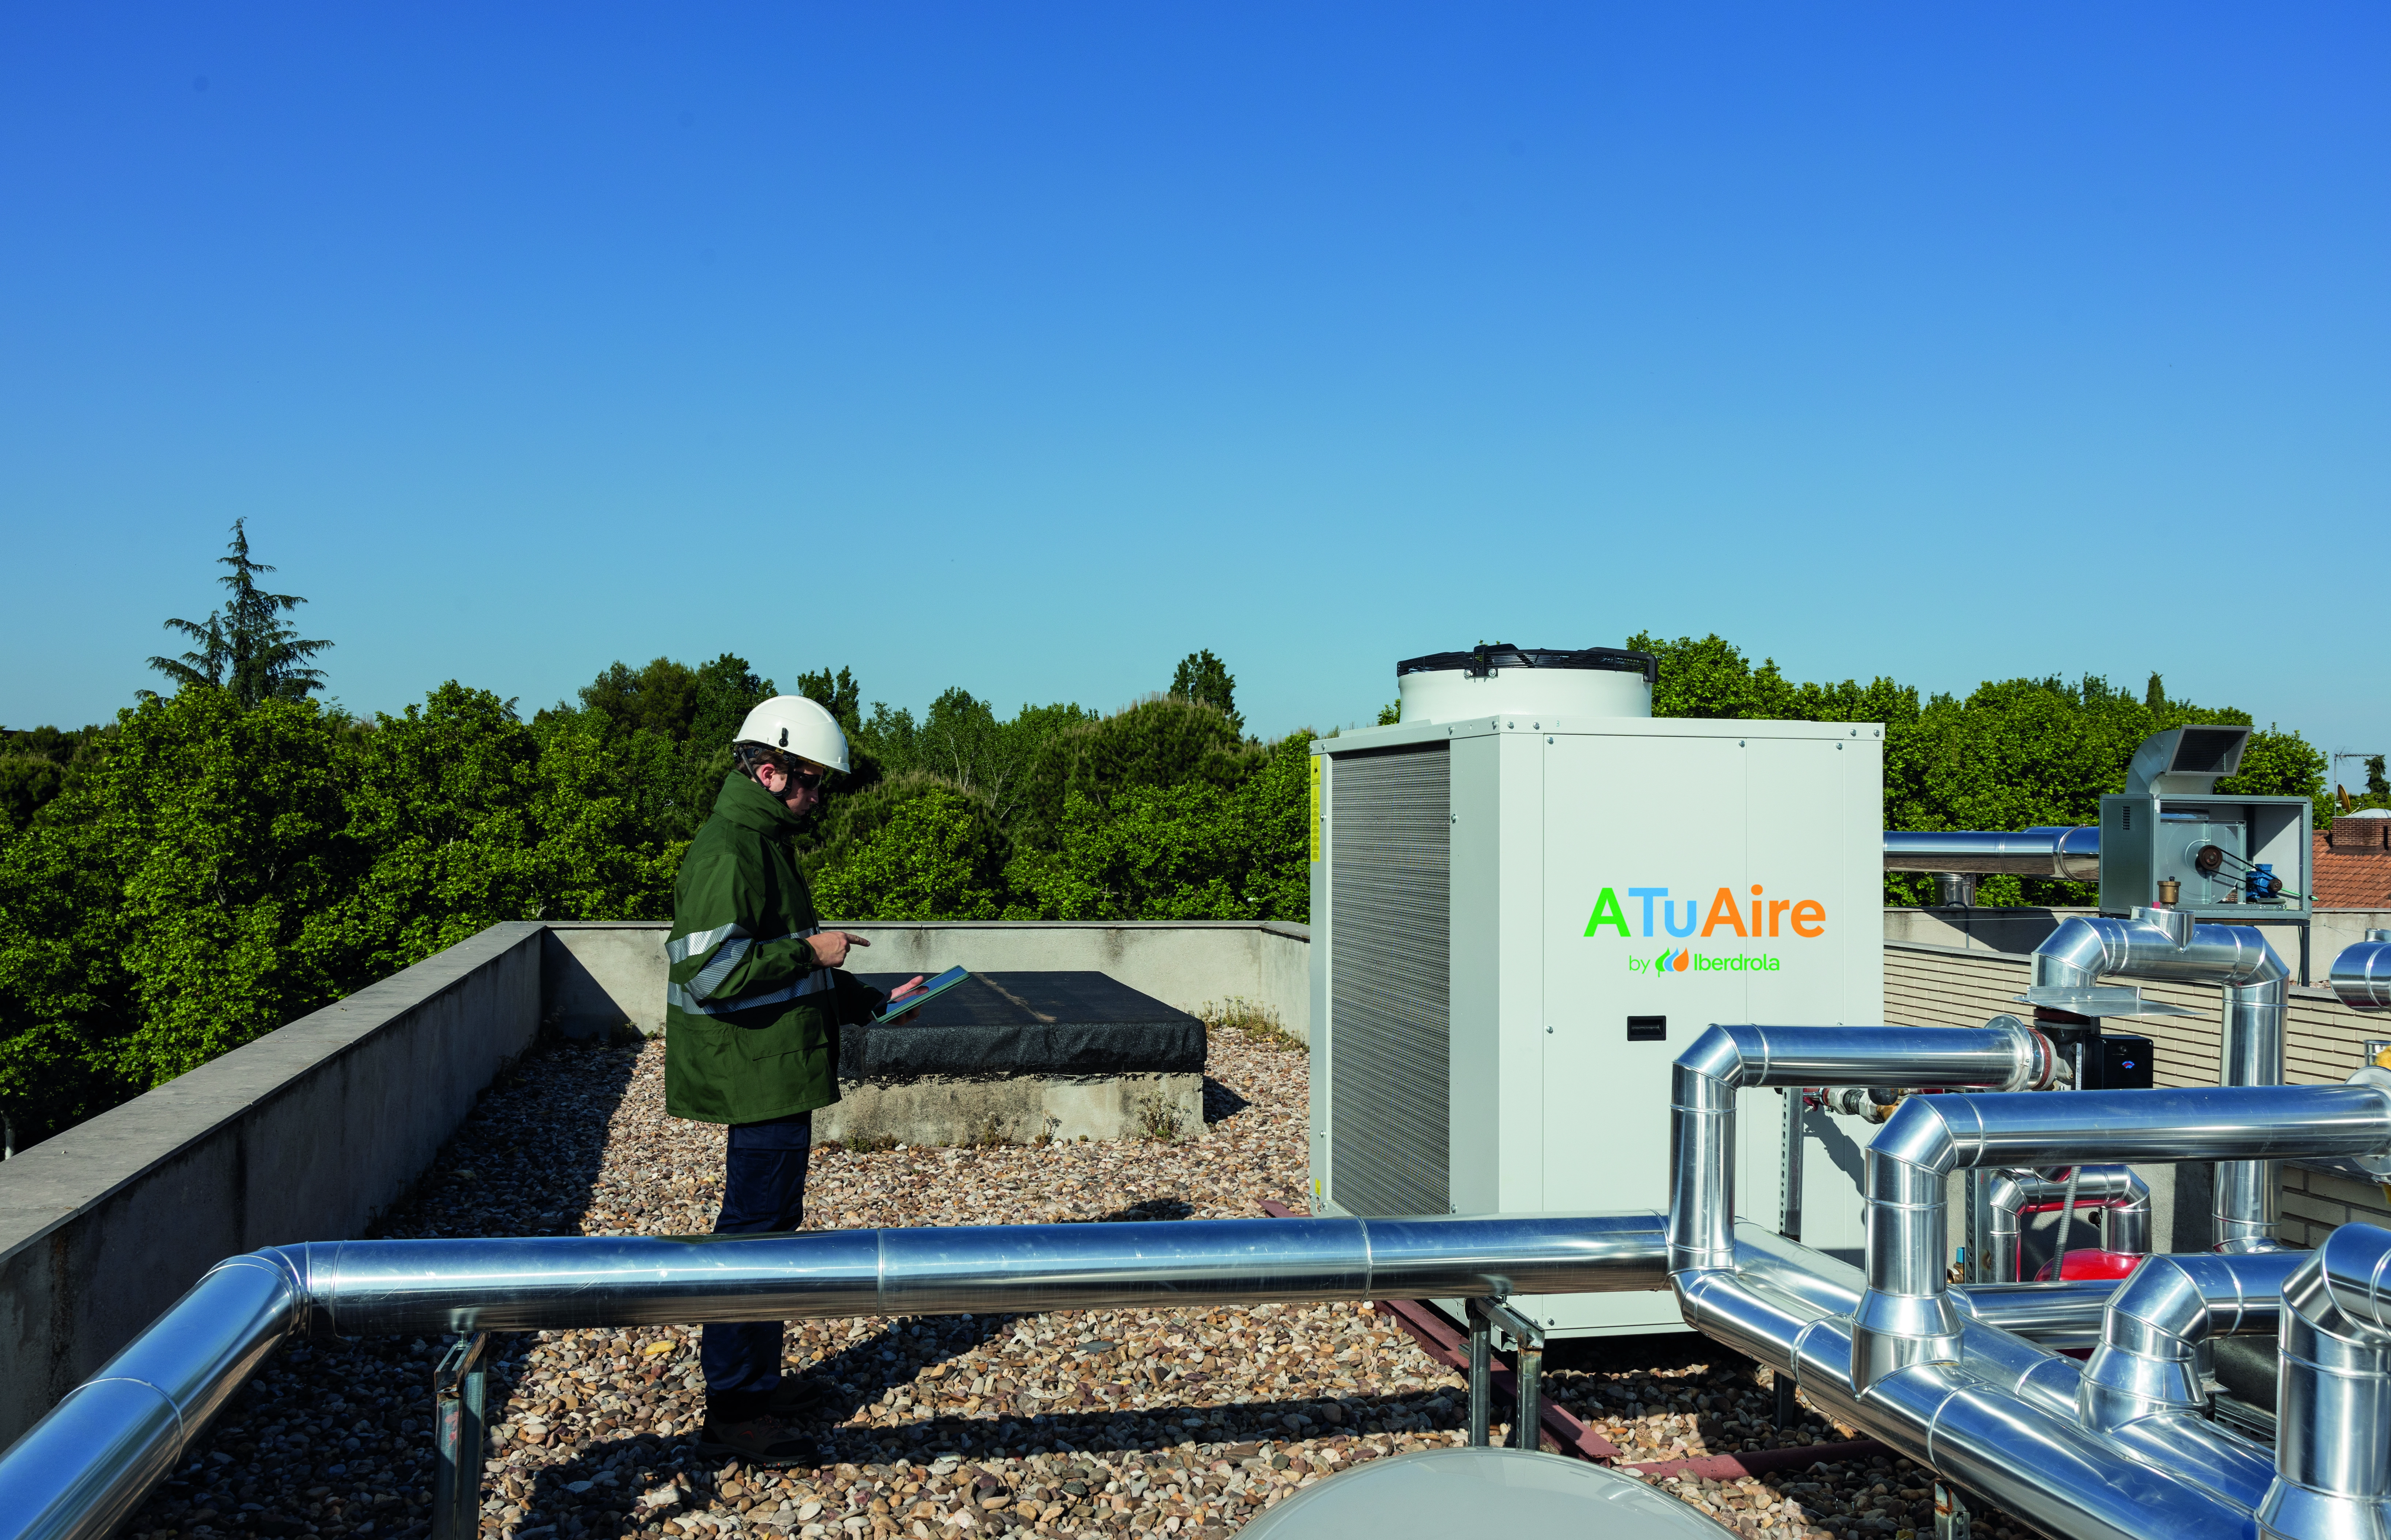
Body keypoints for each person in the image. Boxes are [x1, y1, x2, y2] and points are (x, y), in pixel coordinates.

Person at [665, 695, 923, 1466]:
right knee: (751, 1239)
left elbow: (780, 964)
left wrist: (870, 999)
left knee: (769, 1232)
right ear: (770, 771)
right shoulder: (730, 851)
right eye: (812, 781)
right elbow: (712, 972)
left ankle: (757, 1384)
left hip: (772, 1068)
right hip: (757, 1074)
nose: (820, 797)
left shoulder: (763, 842)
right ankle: (735, 1409)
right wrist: (815, 951)